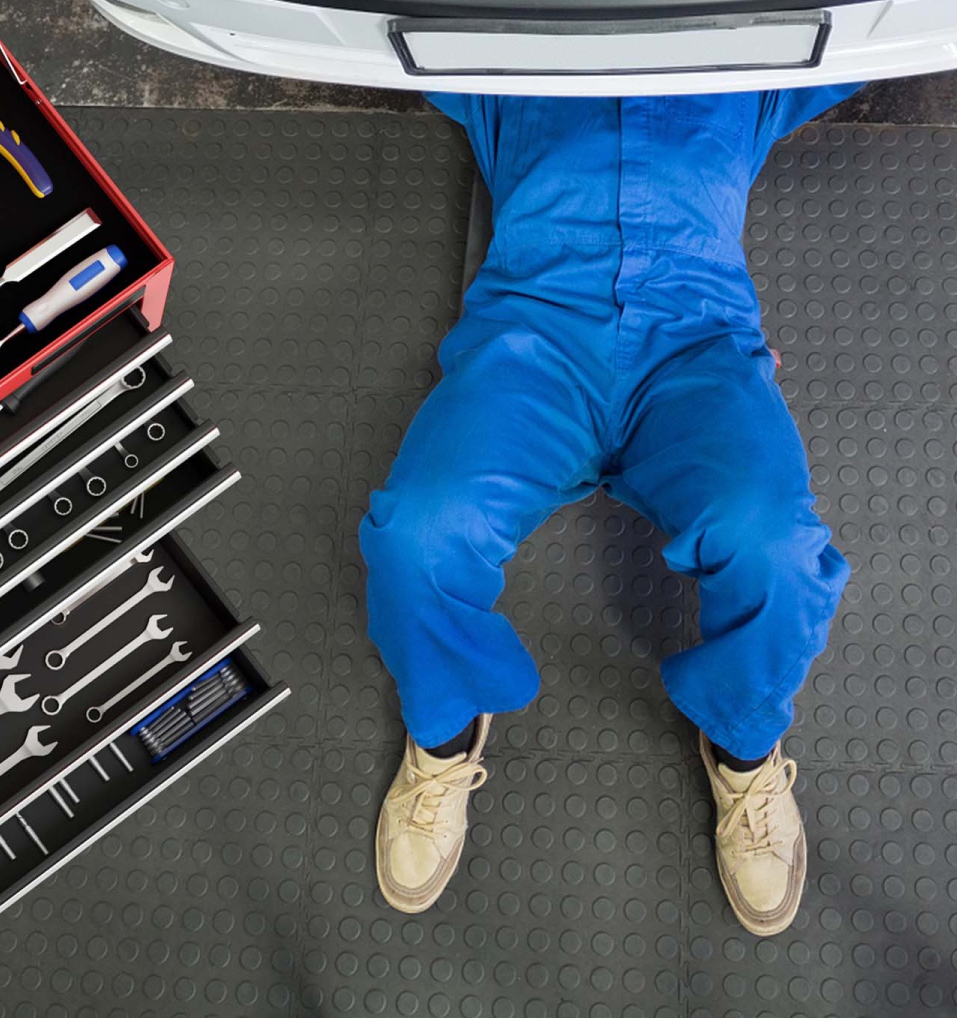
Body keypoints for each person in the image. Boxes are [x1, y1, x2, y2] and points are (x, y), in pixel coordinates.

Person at [361, 87, 860, 935]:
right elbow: (381, 12)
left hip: (693, 346)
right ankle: (444, 734)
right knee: (417, 532)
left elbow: (872, 20)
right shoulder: (517, 63)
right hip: (533, 343)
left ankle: (744, 748)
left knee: (774, 546)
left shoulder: (742, 70)